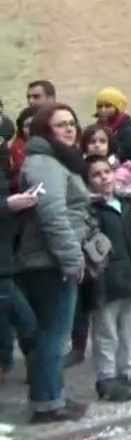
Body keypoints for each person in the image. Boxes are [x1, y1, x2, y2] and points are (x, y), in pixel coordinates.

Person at [16, 103, 94, 423]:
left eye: (72, 123)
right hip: (48, 262)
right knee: (53, 334)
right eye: (60, 124)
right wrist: (72, 259)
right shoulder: (44, 163)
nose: (69, 129)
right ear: (45, 131)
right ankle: (47, 404)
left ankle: (54, 396)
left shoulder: (56, 160)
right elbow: (52, 215)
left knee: (53, 334)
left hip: (51, 259)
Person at [84, 155, 131, 402]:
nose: (104, 178)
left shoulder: (124, 204)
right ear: (88, 181)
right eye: (96, 175)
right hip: (105, 280)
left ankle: (127, 373)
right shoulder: (90, 209)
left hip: (129, 276)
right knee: (106, 332)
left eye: (107, 172)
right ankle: (106, 378)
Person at [0, 159, 39, 386]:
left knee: (10, 328)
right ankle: (44, 388)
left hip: (7, 260)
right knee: (27, 325)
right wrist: (7, 205)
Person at [94, 87, 131, 197]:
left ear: (118, 108)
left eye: (108, 106)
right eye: (99, 106)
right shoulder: (97, 131)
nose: (103, 110)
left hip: (129, 191)